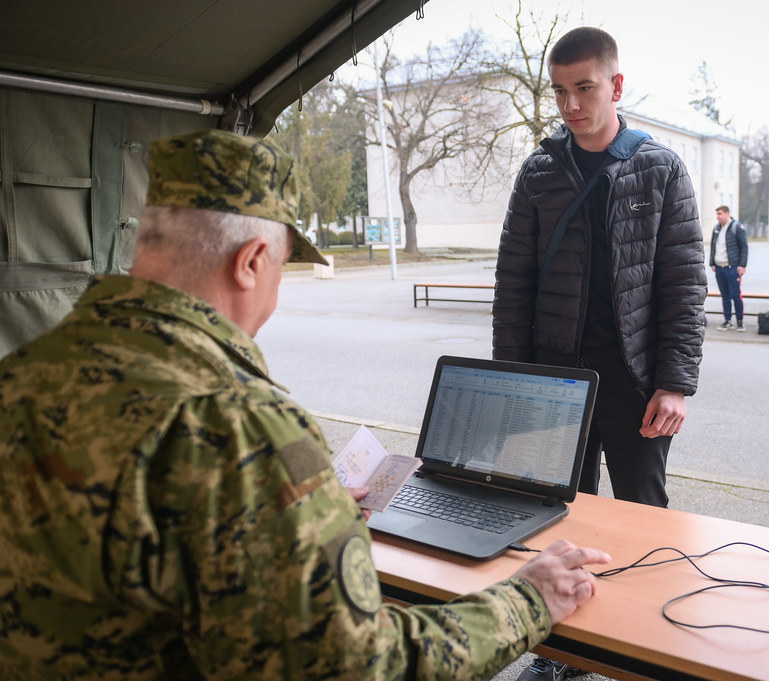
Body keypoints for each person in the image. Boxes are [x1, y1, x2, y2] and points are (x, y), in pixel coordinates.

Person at [0, 129, 610, 681]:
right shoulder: (240, 425)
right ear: (251, 262)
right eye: (281, 269)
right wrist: (526, 600)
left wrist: (302, 519)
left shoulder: (22, 373)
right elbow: (355, 664)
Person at [492, 27, 706, 681]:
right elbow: (513, 284)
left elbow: (683, 284)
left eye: (583, 88)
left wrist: (675, 382)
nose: (569, 104)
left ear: (615, 85)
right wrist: (511, 381)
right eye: (559, 91)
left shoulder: (660, 168)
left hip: (636, 379)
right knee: (559, 515)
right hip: (555, 377)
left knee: (643, 517)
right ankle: (564, 651)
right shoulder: (539, 172)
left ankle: (646, 643)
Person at [709, 205, 748, 331]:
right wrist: (712, 263)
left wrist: (742, 265)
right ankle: (727, 320)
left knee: (735, 295)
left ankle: (740, 321)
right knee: (725, 295)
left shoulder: (737, 227)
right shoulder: (717, 228)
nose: (718, 216)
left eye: (720, 213)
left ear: (727, 214)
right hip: (719, 268)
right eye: (717, 214)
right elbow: (713, 247)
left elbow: (744, 247)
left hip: (732, 268)